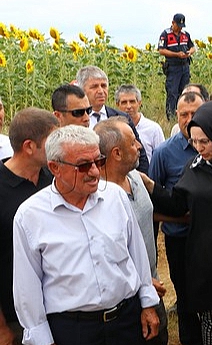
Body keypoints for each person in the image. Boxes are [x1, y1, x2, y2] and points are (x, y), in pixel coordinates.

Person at [13, 125, 160, 345]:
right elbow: (27, 287)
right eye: (83, 166)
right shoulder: (30, 216)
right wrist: (42, 339)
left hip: (125, 322)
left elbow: (136, 254)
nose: (94, 172)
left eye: (98, 161)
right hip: (74, 331)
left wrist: (148, 303)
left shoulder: (115, 197)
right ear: (55, 167)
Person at [144, 101, 212, 344]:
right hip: (205, 262)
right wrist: (151, 187)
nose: (199, 148)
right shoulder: (194, 167)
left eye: (205, 142)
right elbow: (178, 204)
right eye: (194, 142)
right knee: (211, 322)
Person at [94, 116, 169, 345]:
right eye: (134, 142)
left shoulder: (136, 178)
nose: (139, 147)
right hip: (125, 303)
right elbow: (102, 254)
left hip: (153, 291)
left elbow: (150, 214)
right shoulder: (97, 198)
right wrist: (140, 282)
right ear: (116, 153)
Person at [148, 91, 205, 345]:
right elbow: (151, 204)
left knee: (211, 298)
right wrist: (181, 220)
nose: (190, 120)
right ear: (177, 116)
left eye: (196, 114)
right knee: (185, 299)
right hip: (179, 240)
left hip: (211, 240)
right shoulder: (164, 154)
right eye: (184, 114)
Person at [0, 108, 58, 345]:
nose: (59, 148)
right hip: (15, 318)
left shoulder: (54, 180)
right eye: (52, 142)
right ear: (29, 147)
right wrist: (2, 327)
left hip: (57, 310)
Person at [75, 65, 149, 173]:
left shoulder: (122, 118)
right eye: (94, 87)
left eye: (104, 86)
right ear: (82, 90)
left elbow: (139, 154)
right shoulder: (76, 119)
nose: (101, 91)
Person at [158, 13, 195, 120]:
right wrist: (177, 54)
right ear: (173, 23)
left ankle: (183, 114)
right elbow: (161, 50)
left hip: (185, 66)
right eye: (178, 25)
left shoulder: (185, 34)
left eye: (181, 26)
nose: (179, 28)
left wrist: (189, 52)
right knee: (172, 93)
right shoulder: (165, 34)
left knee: (184, 92)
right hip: (173, 67)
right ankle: (171, 117)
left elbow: (192, 47)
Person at [115, 84, 165, 164]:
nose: (128, 106)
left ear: (139, 103)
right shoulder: (114, 129)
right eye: (124, 102)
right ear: (117, 105)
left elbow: (162, 158)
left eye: (132, 101)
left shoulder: (153, 129)